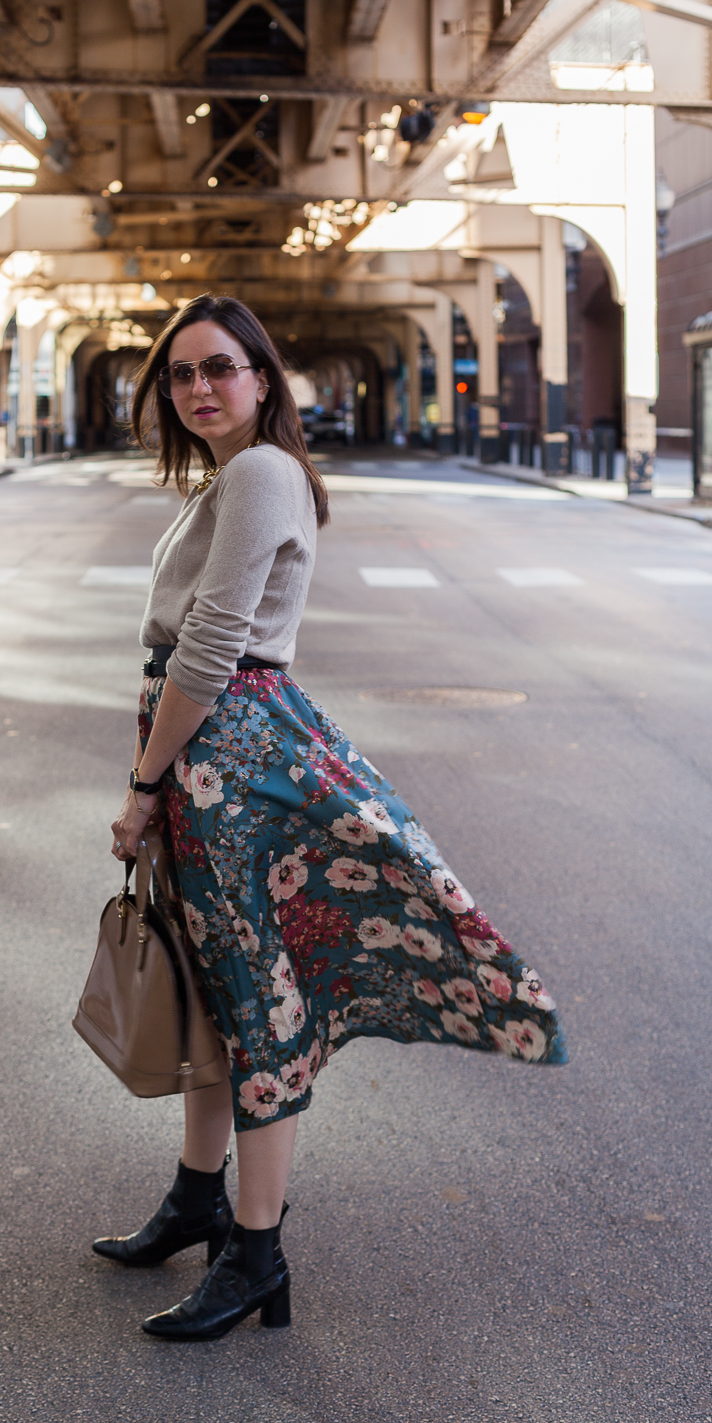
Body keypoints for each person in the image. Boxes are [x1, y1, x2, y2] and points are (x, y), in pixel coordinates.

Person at [94, 294, 565, 1343]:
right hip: (212, 750)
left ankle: (254, 1251)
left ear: (265, 378)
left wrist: (142, 785)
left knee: (255, 1002)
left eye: (219, 367)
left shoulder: (259, 471)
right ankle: (195, 1199)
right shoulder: (236, 473)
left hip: (223, 755)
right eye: (180, 375)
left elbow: (212, 644)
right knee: (219, 988)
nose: (198, 387)